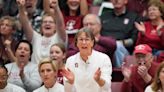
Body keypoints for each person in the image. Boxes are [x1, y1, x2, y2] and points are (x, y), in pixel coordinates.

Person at [61, 27, 112, 92]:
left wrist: (99, 80)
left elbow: (107, 87)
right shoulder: (70, 61)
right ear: (76, 43)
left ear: (92, 42)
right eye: (81, 39)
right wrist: (70, 82)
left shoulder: (104, 58)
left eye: (87, 39)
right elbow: (67, 91)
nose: (84, 42)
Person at [100, 0, 140, 67]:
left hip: (122, 47)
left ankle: (120, 72)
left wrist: (116, 43)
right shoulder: (104, 16)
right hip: (104, 46)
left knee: (116, 45)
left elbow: (133, 40)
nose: (116, 0)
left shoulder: (133, 17)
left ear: (125, 1)